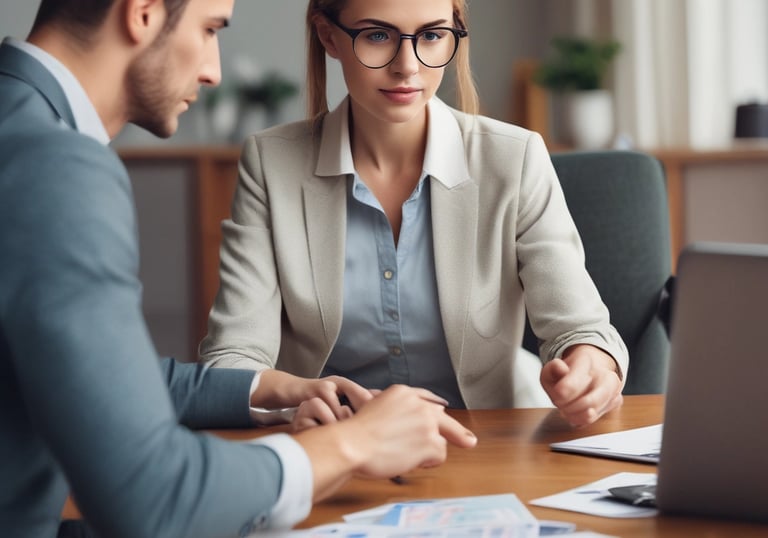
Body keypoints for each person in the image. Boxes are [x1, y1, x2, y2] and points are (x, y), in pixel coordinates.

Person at [0, 0, 478, 536]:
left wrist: (273, 391)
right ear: (142, 13)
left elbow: (96, 377)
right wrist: (354, 443)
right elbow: (156, 497)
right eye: (208, 30)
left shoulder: (17, 124)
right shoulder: (56, 165)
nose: (214, 70)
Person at [199, 0, 629, 426]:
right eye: (377, 35)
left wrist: (592, 365)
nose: (408, 66)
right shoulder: (270, 163)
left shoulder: (515, 159)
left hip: (482, 448)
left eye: (432, 35)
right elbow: (232, 359)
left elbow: (580, 329)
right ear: (329, 36)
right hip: (335, 447)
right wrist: (292, 402)